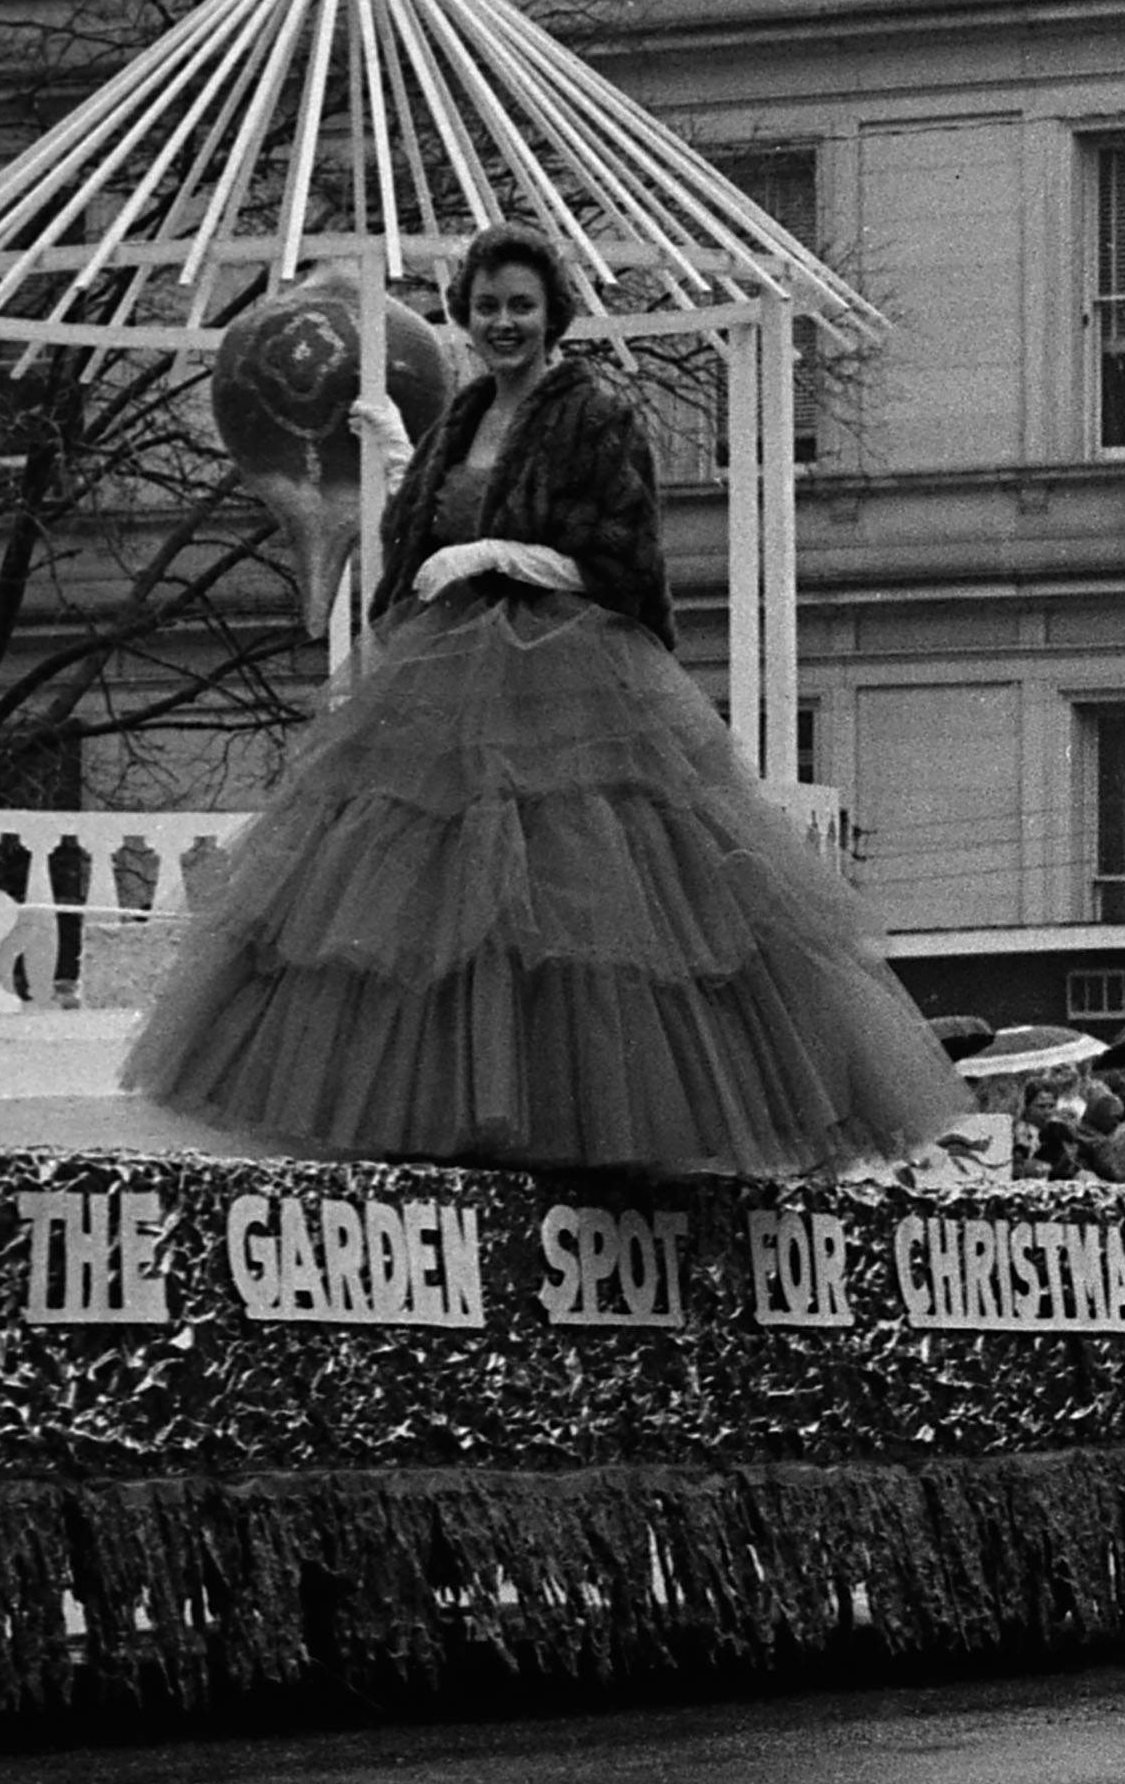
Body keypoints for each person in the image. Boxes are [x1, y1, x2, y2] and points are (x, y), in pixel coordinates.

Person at [125, 227, 962, 1178]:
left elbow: (622, 556)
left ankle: (575, 1116)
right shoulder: (462, 412)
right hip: (446, 677)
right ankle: (450, 1106)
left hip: (564, 672)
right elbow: (425, 537)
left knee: (572, 893)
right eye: (487, 306)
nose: (503, 322)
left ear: (552, 312)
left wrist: (497, 558)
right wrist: (407, 471)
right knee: (430, 900)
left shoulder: (592, 410)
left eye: (521, 305)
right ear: (464, 315)